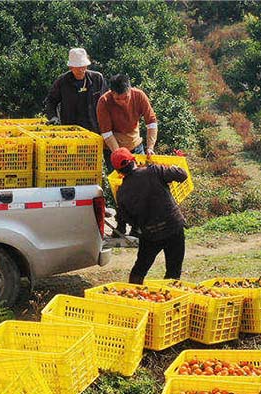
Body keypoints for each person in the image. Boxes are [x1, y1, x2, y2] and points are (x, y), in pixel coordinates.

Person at [111, 148, 188, 284]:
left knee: (139, 270)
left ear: (118, 171)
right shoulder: (153, 171)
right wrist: (168, 166)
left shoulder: (122, 192)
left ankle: (133, 296)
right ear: (134, 159)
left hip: (151, 234)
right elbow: (182, 175)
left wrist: (122, 231)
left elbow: (123, 220)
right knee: (173, 272)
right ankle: (170, 298)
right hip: (173, 227)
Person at [44, 48, 108, 134]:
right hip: (70, 130)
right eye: (78, 67)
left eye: (83, 66)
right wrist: (53, 117)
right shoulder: (62, 81)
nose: (81, 70)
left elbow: (106, 102)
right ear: (71, 67)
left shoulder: (97, 78)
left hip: (94, 130)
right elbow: (51, 101)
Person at [97, 74, 158, 159]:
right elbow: (106, 132)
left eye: (126, 98)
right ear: (111, 93)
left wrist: (150, 147)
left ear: (130, 90)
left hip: (136, 146)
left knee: (141, 171)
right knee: (120, 172)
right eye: (117, 99)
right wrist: (119, 154)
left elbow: (151, 122)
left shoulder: (139, 96)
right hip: (113, 148)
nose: (122, 102)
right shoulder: (104, 101)